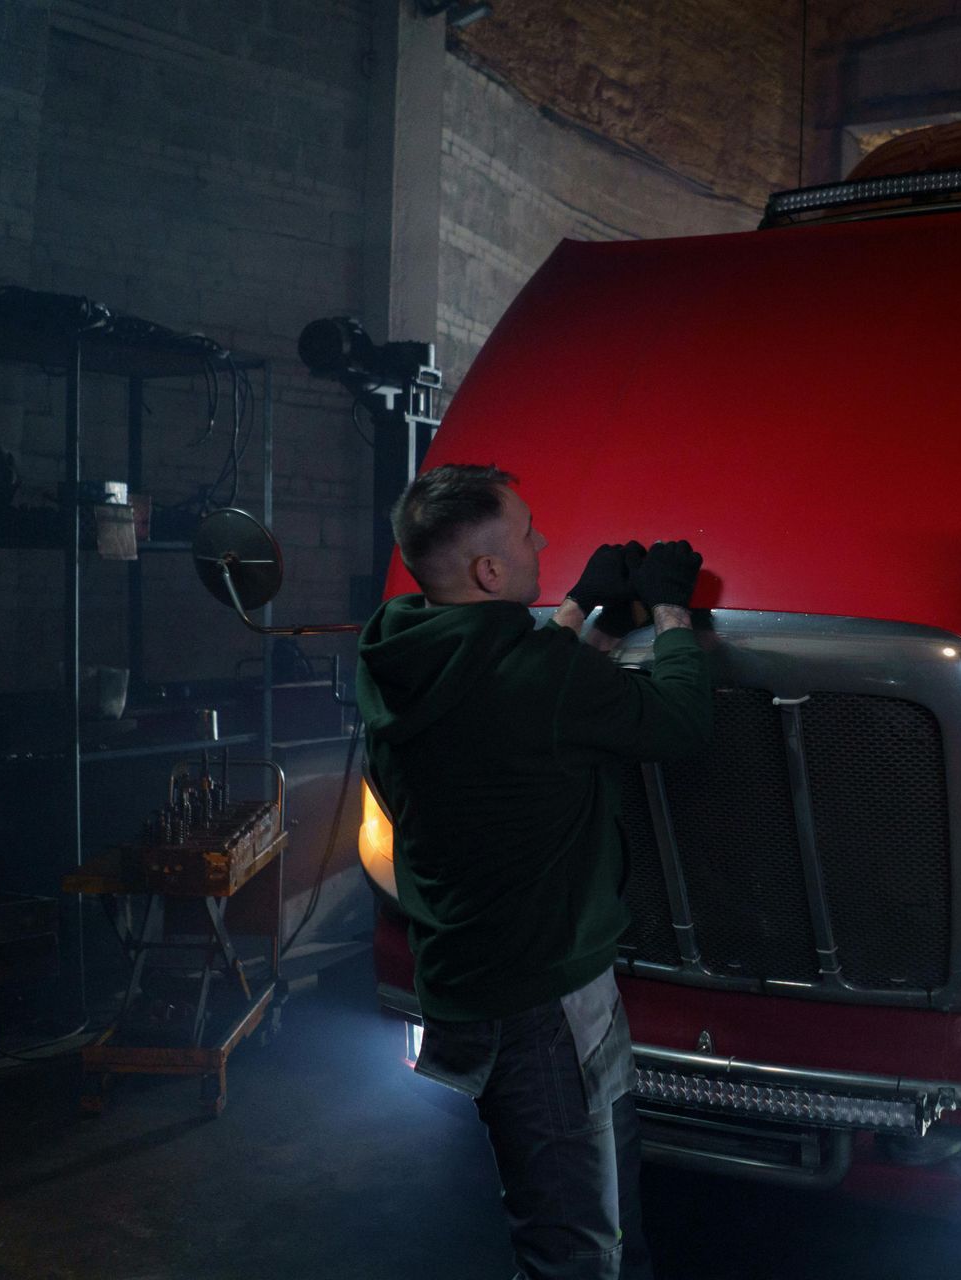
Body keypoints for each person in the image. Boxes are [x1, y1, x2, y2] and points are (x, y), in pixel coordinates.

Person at [355, 463, 712, 1280]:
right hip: (545, 999)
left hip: (469, 975)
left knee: (578, 1212)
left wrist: (578, 607)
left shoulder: (396, 655)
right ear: (488, 571)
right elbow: (681, 724)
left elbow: (496, 680)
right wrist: (669, 609)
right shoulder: (540, 677)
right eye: (525, 533)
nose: (542, 540)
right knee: (581, 1246)